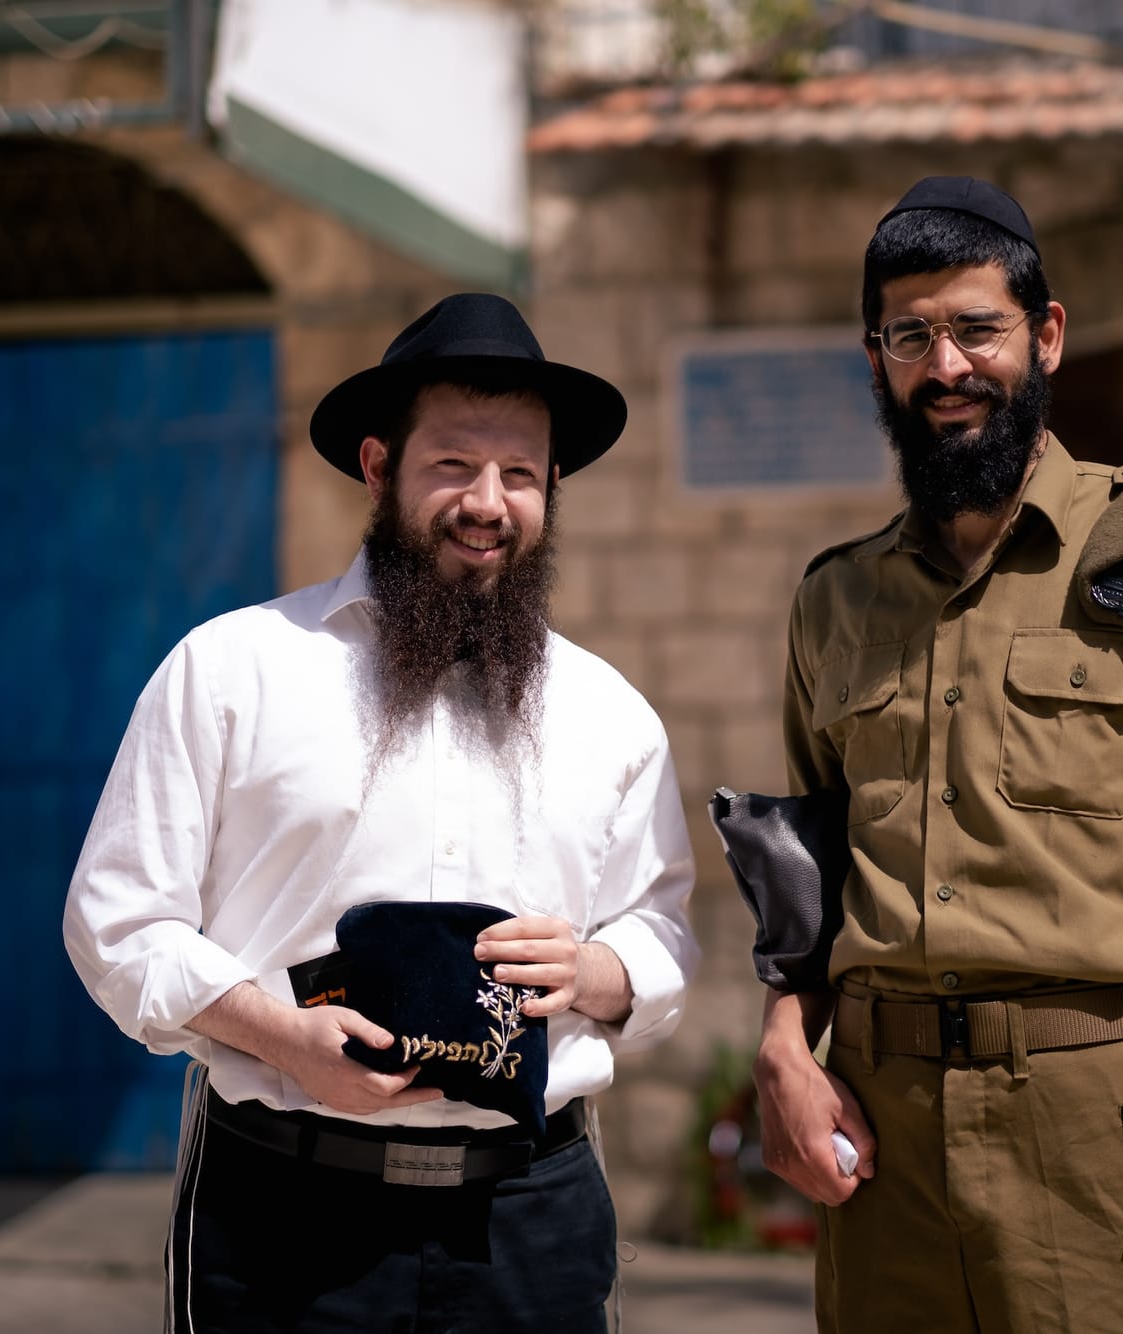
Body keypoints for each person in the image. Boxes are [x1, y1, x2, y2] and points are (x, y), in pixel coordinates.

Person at [752, 176, 1123, 1332]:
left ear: (1045, 335)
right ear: (875, 361)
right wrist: (778, 1046)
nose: (945, 366)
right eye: (909, 336)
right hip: (881, 1134)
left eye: (975, 327)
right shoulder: (834, 598)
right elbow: (809, 863)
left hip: (1088, 1130)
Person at [64, 293, 698, 1333]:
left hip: (527, 1221)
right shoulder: (231, 671)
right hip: (281, 1216)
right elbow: (118, 919)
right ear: (376, 466)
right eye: (451, 464)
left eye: (521, 474)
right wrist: (279, 1036)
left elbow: (662, 924)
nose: (487, 502)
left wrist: (594, 968)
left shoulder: (612, 715)